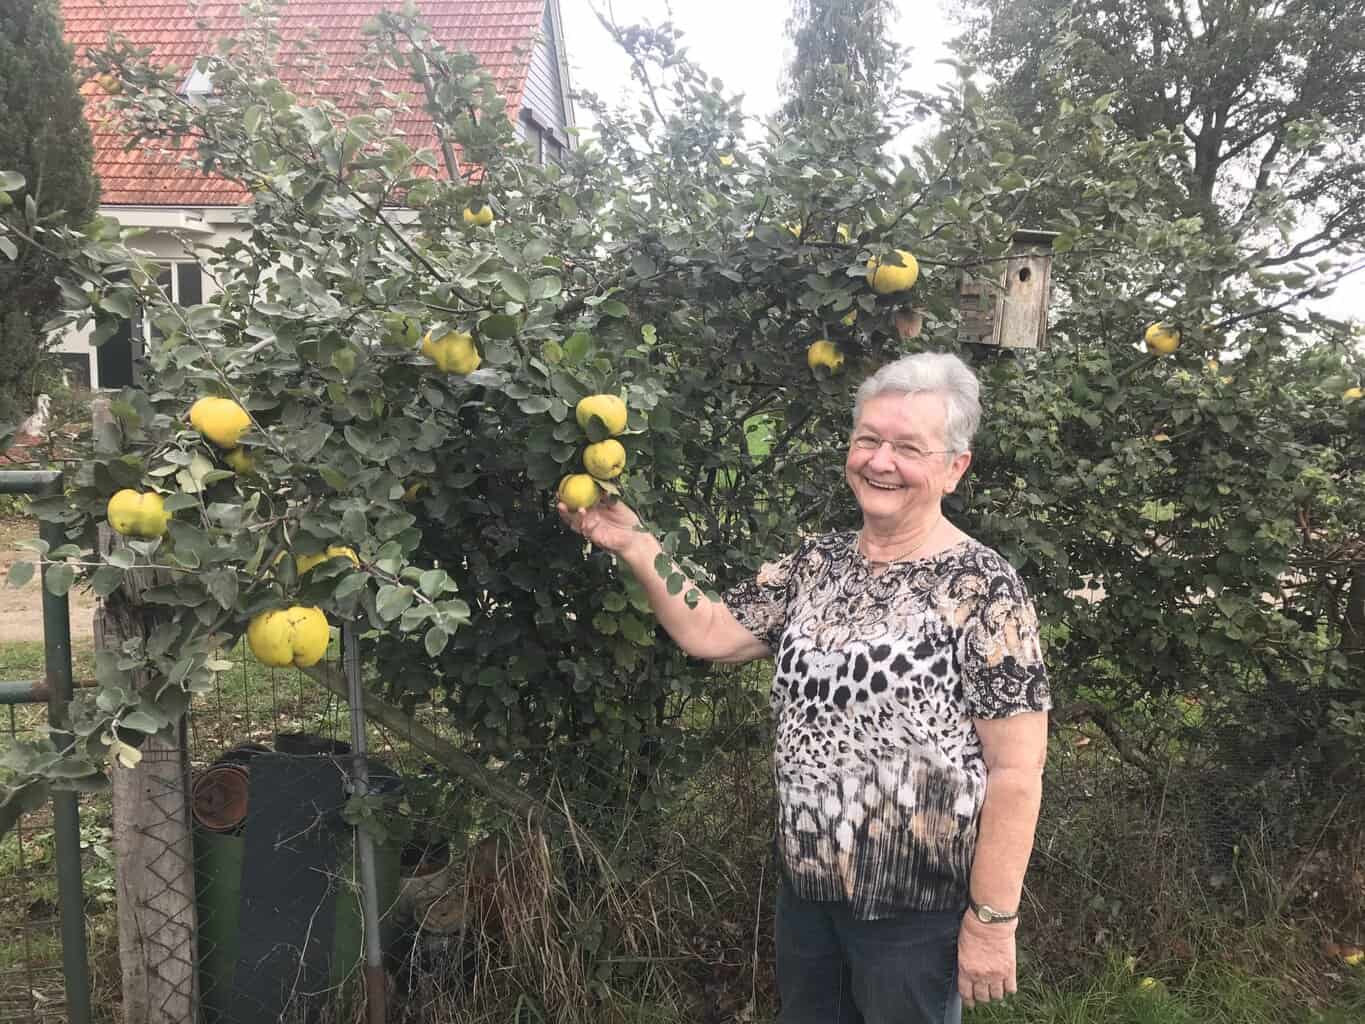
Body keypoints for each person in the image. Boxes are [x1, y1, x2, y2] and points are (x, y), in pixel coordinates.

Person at [559, 351, 1050, 1024]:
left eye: (908, 448)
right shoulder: (816, 564)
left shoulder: (982, 587)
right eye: (868, 439)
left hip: (916, 907)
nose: (880, 461)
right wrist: (637, 545)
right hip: (809, 891)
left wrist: (992, 921)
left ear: (953, 468)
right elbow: (710, 630)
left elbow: (1016, 769)